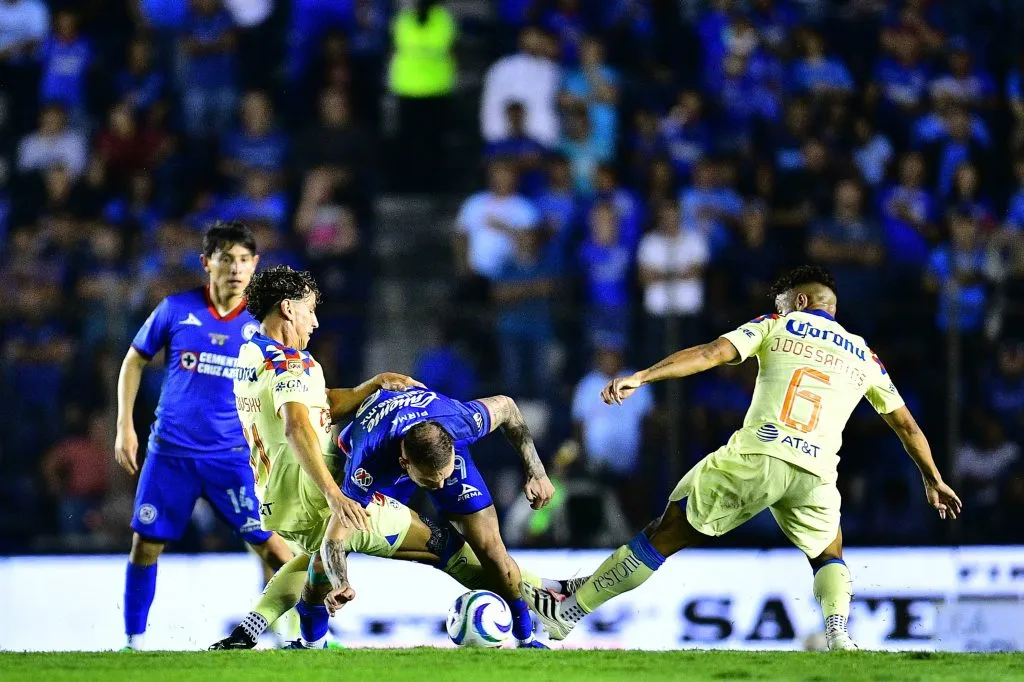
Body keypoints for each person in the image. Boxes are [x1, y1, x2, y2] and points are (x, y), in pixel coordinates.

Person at [523, 265, 962, 651]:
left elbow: (712, 353)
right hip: (816, 472)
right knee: (829, 555)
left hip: (759, 454)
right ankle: (839, 637)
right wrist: (933, 477)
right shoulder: (866, 355)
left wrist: (644, 375)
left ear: (800, 300)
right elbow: (906, 425)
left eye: (784, 301)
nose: (780, 306)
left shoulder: (779, 324)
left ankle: (570, 611)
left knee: (663, 534)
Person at [211, 266, 561, 650]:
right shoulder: (293, 365)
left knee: (317, 560)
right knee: (444, 548)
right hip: (317, 491)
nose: (314, 321)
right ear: (288, 309)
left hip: (277, 498)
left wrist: (371, 386)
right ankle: (537, 606)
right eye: (310, 310)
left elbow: (318, 405)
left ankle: (265, 635)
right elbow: (298, 427)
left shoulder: (250, 353)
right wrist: (334, 495)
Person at [114, 221, 293, 650]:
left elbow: (288, 380)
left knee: (275, 551)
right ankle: (133, 643)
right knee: (146, 545)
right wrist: (125, 426)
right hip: (170, 454)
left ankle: (293, 637)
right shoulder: (175, 310)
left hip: (234, 457)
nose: (235, 268)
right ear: (206, 262)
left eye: (244, 260)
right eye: (226, 258)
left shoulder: (264, 322)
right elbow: (133, 361)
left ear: (255, 266)